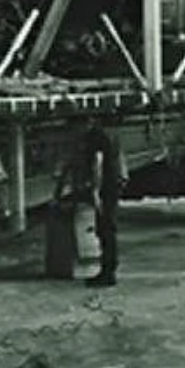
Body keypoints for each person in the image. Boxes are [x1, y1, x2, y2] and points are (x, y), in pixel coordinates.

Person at [82, 120, 126, 288]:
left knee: (105, 228)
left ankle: (107, 272)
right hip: (113, 183)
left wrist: (95, 190)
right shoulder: (110, 133)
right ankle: (109, 269)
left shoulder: (95, 137)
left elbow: (97, 162)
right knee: (108, 227)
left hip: (105, 187)